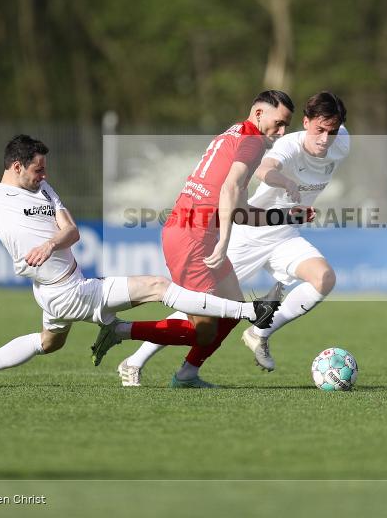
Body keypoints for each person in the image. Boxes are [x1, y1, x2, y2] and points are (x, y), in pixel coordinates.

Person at [0, 126, 279, 386]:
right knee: (159, 287)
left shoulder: (43, 189)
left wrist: (51, 243)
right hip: (68, 291)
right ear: (17, 166)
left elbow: (72, 230)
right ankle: (247, 311)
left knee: (49, 343)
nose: (45, 175)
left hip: (58, 292)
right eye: (38, 169)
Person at [118, 91, 349, 385]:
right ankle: (125, 340)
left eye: (284, 127)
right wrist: (224, 241)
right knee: (203, 321)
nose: (280, 133)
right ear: (258, 114)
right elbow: (235, 189)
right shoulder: (257, 144)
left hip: (251, 233)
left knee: (234, 310)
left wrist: (289, 216)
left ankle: (193, 370)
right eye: (278, 124)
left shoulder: (239, 134)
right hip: (209, 237)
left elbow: (240, 209)